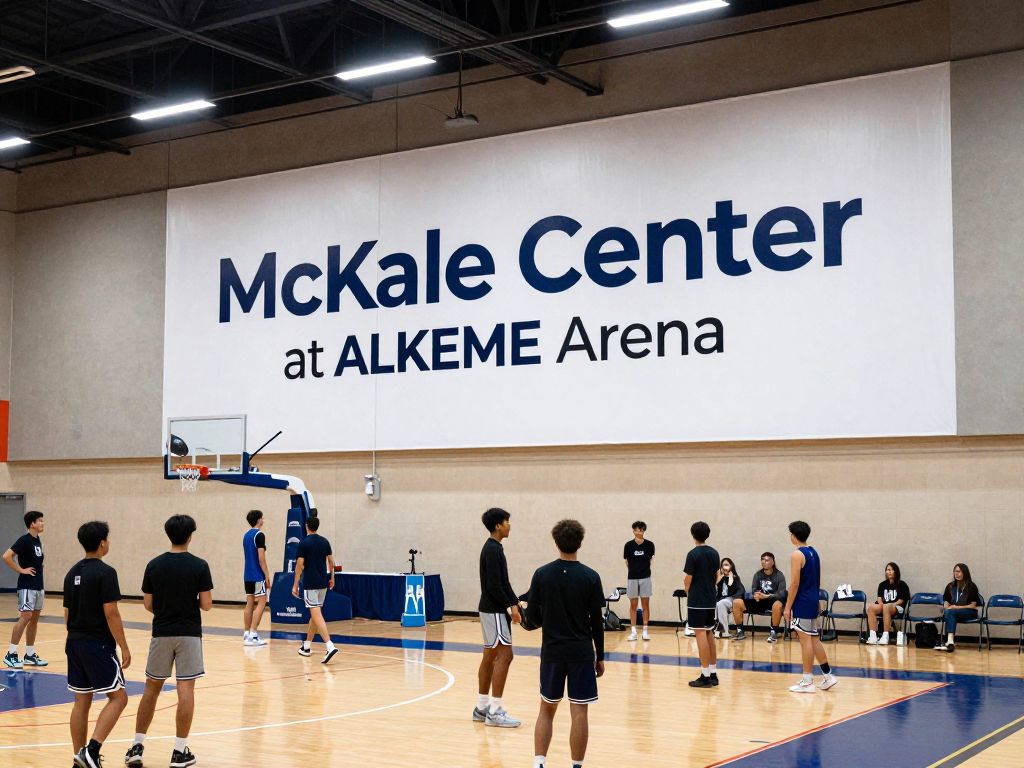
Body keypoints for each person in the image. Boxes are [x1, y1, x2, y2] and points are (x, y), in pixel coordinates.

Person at [125, 515, 213, 768]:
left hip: (161, 632)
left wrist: (166, 609)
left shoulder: (154, 565)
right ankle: (179, 751)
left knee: (151, 689)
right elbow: (207, 604)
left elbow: (148, 604)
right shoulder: (199, 565)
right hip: (189, 633)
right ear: (190, 536)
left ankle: (137, 747)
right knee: (186, 690)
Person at [525, 519, 605, 768]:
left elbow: (532, 618)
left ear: (556, 542)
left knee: (546, 709)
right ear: (580, 542)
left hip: (552, 652)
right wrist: (600, 656)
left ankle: (539, 763)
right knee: (579, 711)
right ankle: (576, 765)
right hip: (581, 653)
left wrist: (524, 617)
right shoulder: (591, 576)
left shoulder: (542, 574)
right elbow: (597, 623)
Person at [64, 521, 131, 768]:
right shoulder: (106, 572)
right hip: (97, 644)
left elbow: (66, 613)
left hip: (74, 642)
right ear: (103, 543)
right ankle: (92, 751)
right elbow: (111, 611)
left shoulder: (71, 572)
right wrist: (123, 646)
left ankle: (78, 758)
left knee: (81, 702)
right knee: (119, 698)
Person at [475, 507, 522, 728]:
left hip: (490, 609)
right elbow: (494, 586)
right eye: (506, 522)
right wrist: (510, 607)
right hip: (493, 610)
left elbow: (504, 582)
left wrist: (515, 602)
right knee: (505, 656)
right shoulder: (492, 550)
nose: (509, 525)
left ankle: (481, 707)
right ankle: (494, 711)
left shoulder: (494, 548)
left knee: (490, 655)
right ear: (497, 526)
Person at [783, 521, 837, 693]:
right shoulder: (814, 552)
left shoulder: (796, 554)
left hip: (802, 601)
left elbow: (795, 584)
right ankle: (828, 676)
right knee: (814, 639)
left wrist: (787, 607)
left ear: (793, 536)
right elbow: (816, 580)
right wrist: (817, 599)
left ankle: (807, 681)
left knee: (805, 641)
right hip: (813, 599)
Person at [2, 510, 48, 669]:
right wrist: (21, 570)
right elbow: (6, 556)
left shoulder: (37, 540)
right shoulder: (24, 540)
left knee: (34, 619)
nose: (42, 523)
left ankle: (29, 654)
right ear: (32, 524)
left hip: (38, 585)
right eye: (40, 520)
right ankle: (11, 654)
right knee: (25, 617)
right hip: (27, 585)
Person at [291, 515, 338, 663]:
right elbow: (331, 562)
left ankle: (329, 645)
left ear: (306, 526)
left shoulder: (304, 543)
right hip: (323, 583)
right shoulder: (325, 541)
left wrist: (295, 584)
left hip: (311, 584)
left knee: (316, 614)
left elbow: (299, 565)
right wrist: (332, 577)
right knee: (315, 615)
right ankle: (306, 646)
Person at [684, 521, 720, 688]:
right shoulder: (714, 553)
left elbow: (688, 579)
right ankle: (713, 673)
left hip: (697, 601)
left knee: (700, 635)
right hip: (711, 600)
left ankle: (705, 676)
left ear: (693, 535)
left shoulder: (693, 554)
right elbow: (717, 575)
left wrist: (688, 592)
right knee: (709, 633)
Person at [732, 552, 787, 642]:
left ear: (773, 562)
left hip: (773, 601)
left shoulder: (779, 575)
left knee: (778, 604)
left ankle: (774, 632)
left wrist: (767, 596)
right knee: (736, 602)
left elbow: (781, 594)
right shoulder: (757, 575)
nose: (764, 562)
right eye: (762, 560)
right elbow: (754, 589)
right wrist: (757, 595)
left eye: (767, 560)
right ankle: (740, 630)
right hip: (760, 601)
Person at [242, 509, 271, 647]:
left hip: (247, 575)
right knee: (262, 601)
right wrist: (267, 575)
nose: (263, 520)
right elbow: (261, 559)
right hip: (257, 575)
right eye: (262, 517)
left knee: (249, 602)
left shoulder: (246, 535)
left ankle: (246, 633)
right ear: (258, 520)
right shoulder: (259, 535)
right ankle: (253, 634)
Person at [936, 563, 980, 653]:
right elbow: (946, 602)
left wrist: (956, 607)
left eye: (959, 571)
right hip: (953, 613)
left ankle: (947, 641)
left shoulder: (971, 586)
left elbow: (973, 605)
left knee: (951, 612)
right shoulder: (950, 586)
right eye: (955, 571)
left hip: (969, 612)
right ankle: (950, 642)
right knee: (949, 612)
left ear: (965, 573)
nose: (956, 573)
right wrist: (947, 608)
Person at [623, 521, 655, 641]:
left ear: (644, 531)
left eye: (641, 529)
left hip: (645, 577)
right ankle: (633, 631)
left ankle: (645, 631)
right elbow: (626, 561)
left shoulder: (649, 545)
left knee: (645, 604)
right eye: (636, 529)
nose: (639, 531)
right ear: (633, 531)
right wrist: (634, 570)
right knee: (633, 605)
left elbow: (651, 560)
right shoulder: (628, 545)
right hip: (632, 578)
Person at [866, 562, 910, 645]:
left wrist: (890, 605)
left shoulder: (902, 584)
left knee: (886, 606)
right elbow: (879, 599)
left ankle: (885, 636)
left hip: (898, 607)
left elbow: (902, 600)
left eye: (891, 570)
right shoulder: (882, 585)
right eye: (887, 570)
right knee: (871, 607)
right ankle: (873, 636)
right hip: (884, 606)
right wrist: (882, 605)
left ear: (896, 571)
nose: (889, 571)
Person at [714, 557, 745, 639]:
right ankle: (719, 629)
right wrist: (718, 580)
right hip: (719, 600)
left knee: (721, 603)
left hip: (731, 599)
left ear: (731, 566)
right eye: (723, 565)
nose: (724, 567)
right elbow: (712, 590)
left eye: (726, 565)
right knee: (718, 603)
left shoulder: (735, 577)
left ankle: (723, 629)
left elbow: (741, 590)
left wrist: (730, 578)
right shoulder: (719, 577)